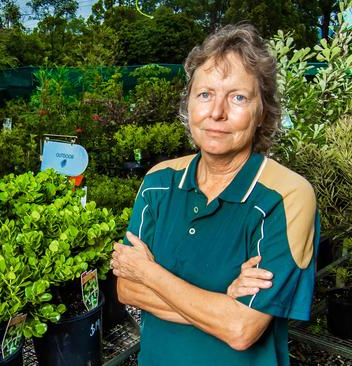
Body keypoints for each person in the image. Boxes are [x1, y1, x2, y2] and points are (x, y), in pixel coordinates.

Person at [111, 24, 317, 366]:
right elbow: (126, 290)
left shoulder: (287, 196)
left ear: (262, 111)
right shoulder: (159, 181)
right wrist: (222, 303)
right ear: (188, 104)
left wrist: (149, 273)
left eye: (238, 97)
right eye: (205, 94)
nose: (217, 112)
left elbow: (240, 329)